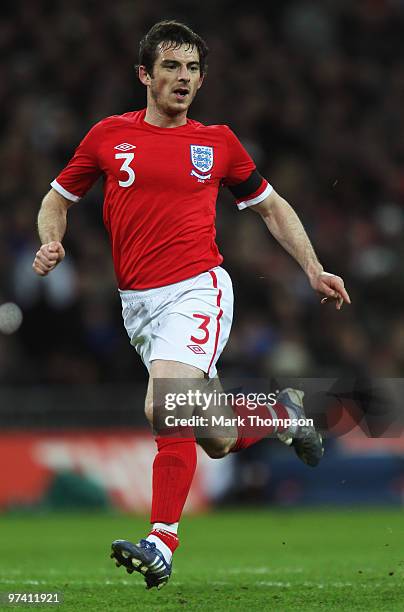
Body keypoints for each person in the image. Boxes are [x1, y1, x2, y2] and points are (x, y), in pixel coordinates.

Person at [32, 20, 351, 590]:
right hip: (139, 308)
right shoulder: (107, 137)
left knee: (165, 406)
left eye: (193, 69)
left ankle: (162, 542)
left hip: (196, 289)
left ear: (202, 79)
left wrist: (312, 267)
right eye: (172, 67)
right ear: (144, 75)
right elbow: (57, 198)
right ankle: (282, 413)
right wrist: (50, 239)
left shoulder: (218, 143)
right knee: (218, 437)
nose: (183, 78)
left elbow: (273, 209)